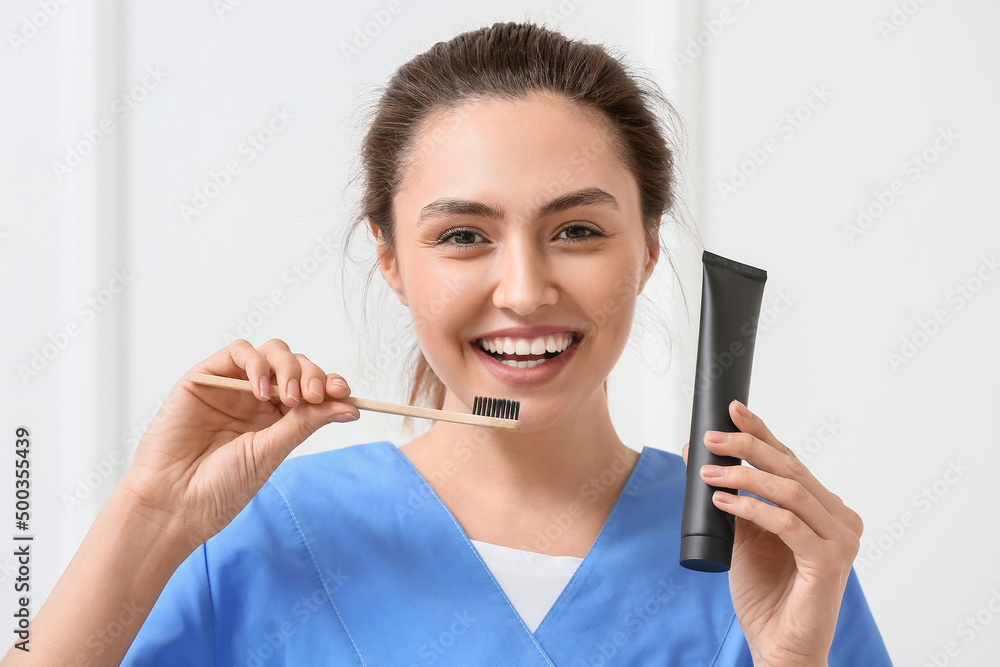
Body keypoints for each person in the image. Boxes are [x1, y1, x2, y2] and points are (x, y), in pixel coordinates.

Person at [2, 21, 893, 666]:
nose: (524, 289)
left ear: (649, 247)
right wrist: (153, 516)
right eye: (463, 235)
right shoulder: (256, 536)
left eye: (578, 230)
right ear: (391, 259)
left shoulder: (772, 560)